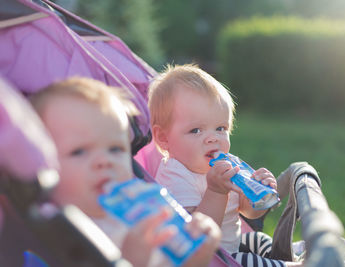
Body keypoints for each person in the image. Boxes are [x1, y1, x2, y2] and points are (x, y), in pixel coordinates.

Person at [29, 77, 221, 267]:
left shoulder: (141, 215)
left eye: (115, 149)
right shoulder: (48, 237)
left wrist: (197, 258)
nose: (105, 161)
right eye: (79, 151)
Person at [149, 64, 303, 267]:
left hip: (234, 245)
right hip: (209, 259)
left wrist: (259, 192)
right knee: (247, 261)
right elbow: (195, 239)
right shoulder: (174, 175)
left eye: (220, 128)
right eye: (196, 130)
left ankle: (290, 252)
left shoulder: (229, 165)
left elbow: (249, 213)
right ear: (163, 138)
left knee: (257, 240)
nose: (212, 139)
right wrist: (216, 191)